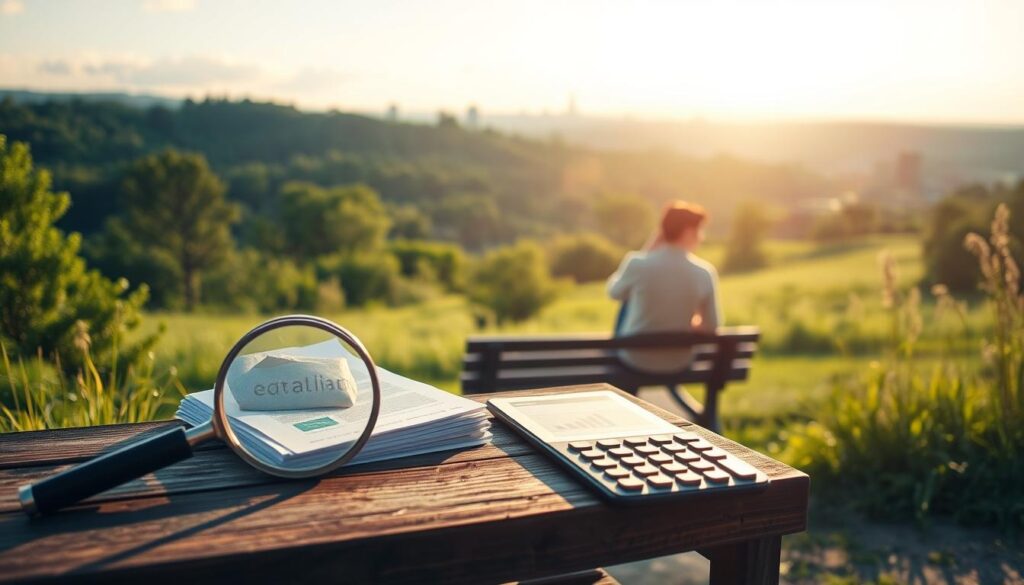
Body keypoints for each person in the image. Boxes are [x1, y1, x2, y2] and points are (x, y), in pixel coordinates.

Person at [606, 201, 722, 372]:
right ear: (688, 232)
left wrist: (646, 251)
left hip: (635, 359)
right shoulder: (704, 272)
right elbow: (711, 326)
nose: (701, 237)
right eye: (699, 230)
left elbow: (613, 293)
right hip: (678, 361)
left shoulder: (638, 263)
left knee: (627, 299)